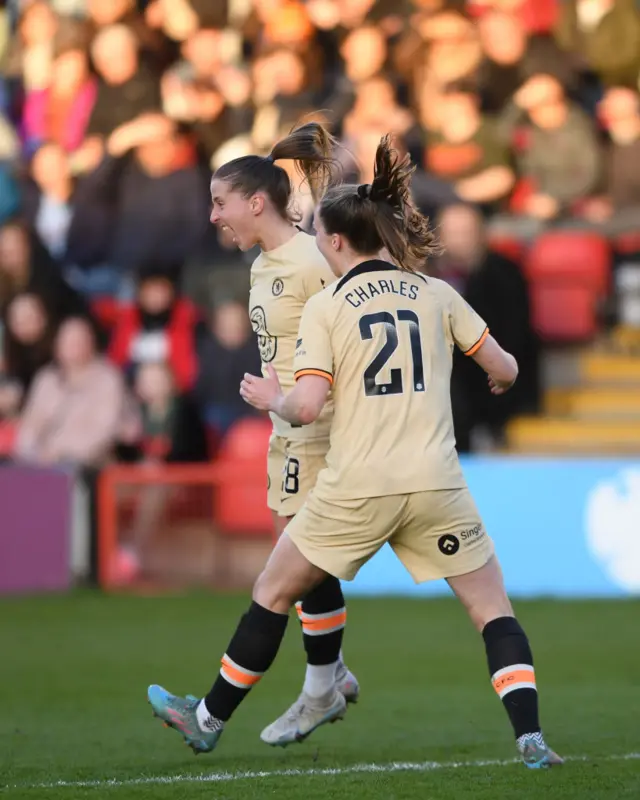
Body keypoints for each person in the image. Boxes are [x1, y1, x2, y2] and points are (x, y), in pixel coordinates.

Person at [147, 135, 563, 770]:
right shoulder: (435, 291)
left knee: (274, 589)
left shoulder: (327, 301)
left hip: (354, 473)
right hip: (436, 480)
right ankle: (531, 739)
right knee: (491, 612)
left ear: (335, 244)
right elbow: (504, 366)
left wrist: (273, 398)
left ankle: (212, 717)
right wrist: (497, 377)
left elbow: (309, 405)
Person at [206, 122, 359, 742]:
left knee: (299, 568)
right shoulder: (264, 265)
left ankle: (320, 688)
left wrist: (301, 401)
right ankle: (334, 674)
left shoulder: (311, 260)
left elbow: (353, 330)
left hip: (317, 429)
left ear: (255, 202)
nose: (213, 216)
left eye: (220, 202)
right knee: (300, 570)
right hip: (285, 429)